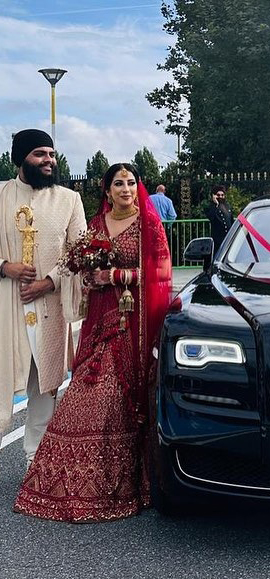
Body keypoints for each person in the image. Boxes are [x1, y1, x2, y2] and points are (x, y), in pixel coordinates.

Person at [14, 163, 171, 522]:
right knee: (81, 396)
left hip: (132, 324)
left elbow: (160, 271)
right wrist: (87, 273)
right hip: (99, 321)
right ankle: (68, 483)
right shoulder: (97, 226)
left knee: (113, 398)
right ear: (107, 189)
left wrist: (115, 275)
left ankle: (121, 483)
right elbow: (78, 264)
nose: (126, 189)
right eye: (119, 183)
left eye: (131, 183)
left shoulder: (148, 224)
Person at [0, 129, 86, 465]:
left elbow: (80, 251)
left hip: (49, 307)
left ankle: (35, 461)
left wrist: (49, 281)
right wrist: (4, 266)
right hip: (7, 305)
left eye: (51, 154)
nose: (48, 160)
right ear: (20, 158)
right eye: (39, 154)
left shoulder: (68, 199)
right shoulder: (1, 195)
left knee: (45, 387)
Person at [205, 184, 233, 253]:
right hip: (217, 239)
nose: (220, 197)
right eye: (218, 195)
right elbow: (211, 217)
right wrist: (216, 204)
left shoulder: (227, 206)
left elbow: (231, 220)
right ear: (214, 196)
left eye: (222, 195)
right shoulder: (211, 207)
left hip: (227, 238)